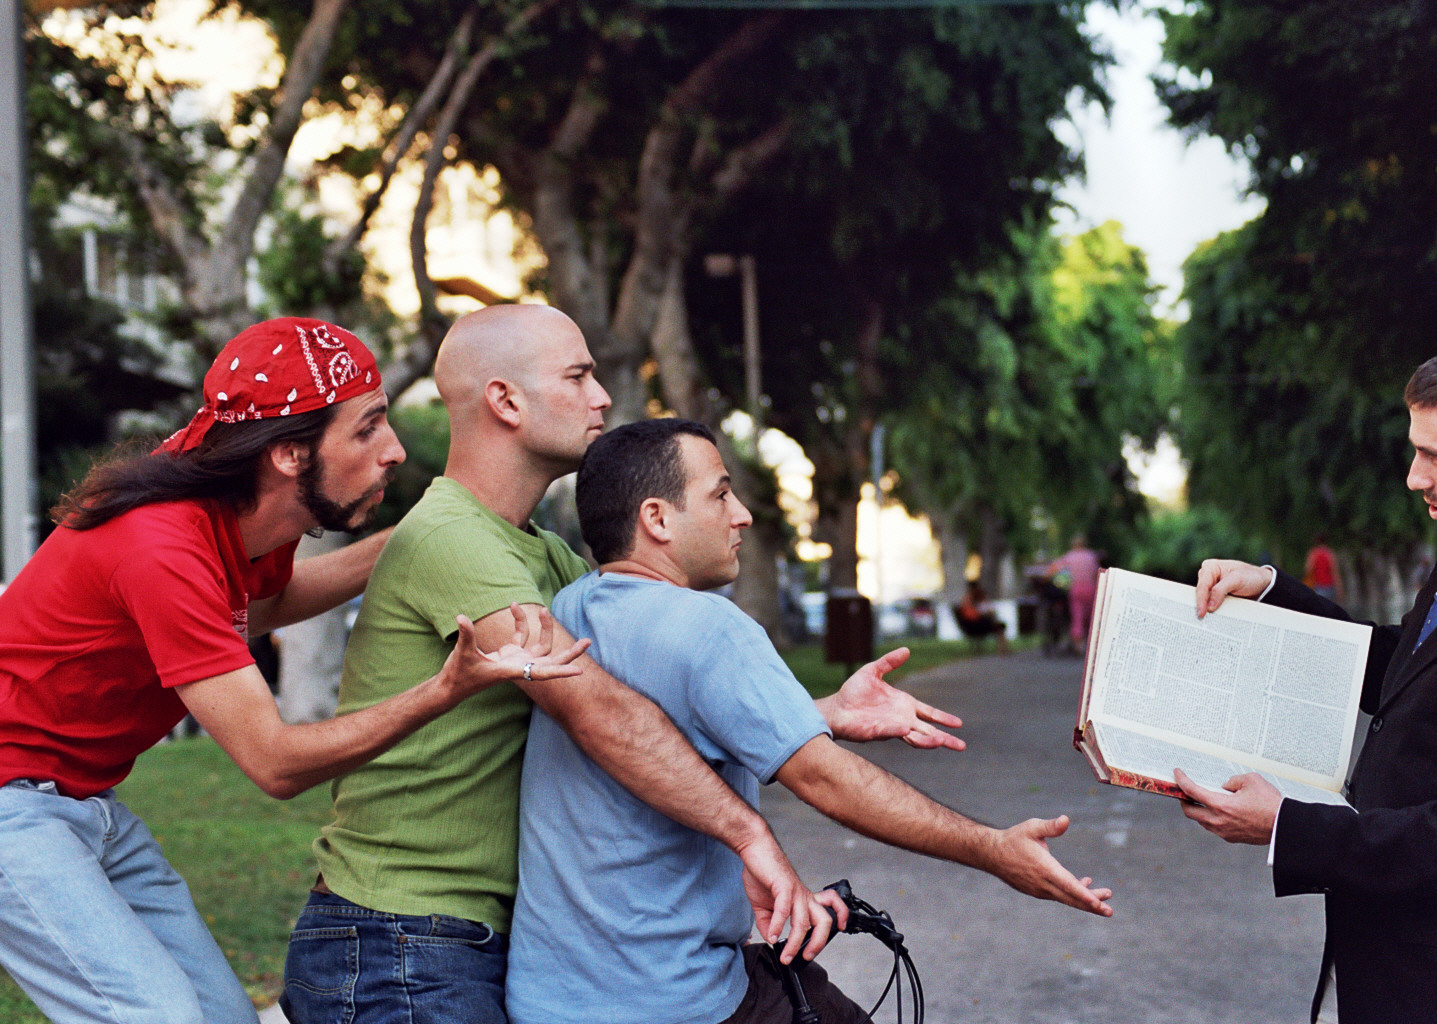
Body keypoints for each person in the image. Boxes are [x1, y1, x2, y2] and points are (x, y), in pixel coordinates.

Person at [282, 304, 963, 1023]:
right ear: (505, 401)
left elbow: (649, 703)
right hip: (398, 941)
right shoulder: (453, 539)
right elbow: (600, 711)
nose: (602, 397)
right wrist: (748, 834)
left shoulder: (545, 557)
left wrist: (810, 716)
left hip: (459, 941)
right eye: (578, 377)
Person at [0, 318, 579, 1024]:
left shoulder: (240, 505)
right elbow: (275, 764)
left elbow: (264, 607)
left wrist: (418, 537)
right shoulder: (160, 546)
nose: (394, 450)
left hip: (86, 801)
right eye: (367, 429)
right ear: (288, 455)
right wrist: (444, 690)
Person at [504, 418, 1114, 1024]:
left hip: (548, 999)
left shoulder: (568, 609)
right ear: (657, 519)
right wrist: (993, 850)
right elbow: (826, 780)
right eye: (721, 495)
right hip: (671, 1000)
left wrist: (816, 714)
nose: (742, 515)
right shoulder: (712, 629)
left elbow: (657, 728)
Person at [1177, 332, 1437, 1024]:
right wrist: (1271, 593)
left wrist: (1291, 827)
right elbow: (1410, 670)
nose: (1414, 478)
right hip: (1394, 965)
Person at [1047, 534, 1100, 655]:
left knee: (1077, 616)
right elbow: (1096, 573)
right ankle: (1090, 643)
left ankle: (1078, 645)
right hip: (1091, 589)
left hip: (1076, 589)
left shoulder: (1069, 556)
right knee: (1090, 616)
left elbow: (1053, 569)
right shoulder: (1091, 556)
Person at [954, 578, 1009, 652]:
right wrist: (984, 613)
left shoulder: (975, 599)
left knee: (998, 624)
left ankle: (1003, 648)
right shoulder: (968, 601)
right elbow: (972, 615)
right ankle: (1003, 648)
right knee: (997, 625)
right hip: (974, 625)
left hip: (978, 623)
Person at [1303, 535, 1341, 603]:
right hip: (1330, 587)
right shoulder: (1330, 554)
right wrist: (1339, 588)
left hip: (1318, 586)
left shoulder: (1313, 554)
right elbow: (1335, 573)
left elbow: (1308, 570)